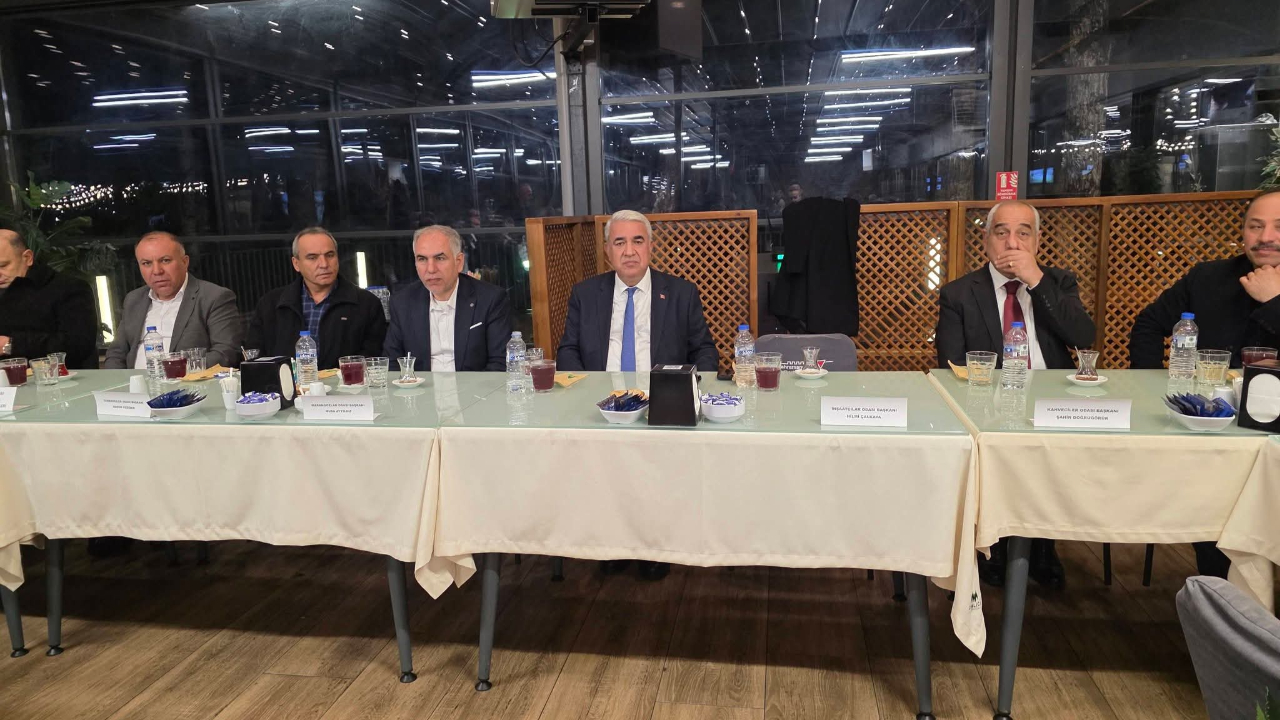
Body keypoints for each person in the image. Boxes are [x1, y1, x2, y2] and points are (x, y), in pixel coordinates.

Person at [936, 200, 1097, 589]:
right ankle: (998, 545)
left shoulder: (1057, 283)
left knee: (1052, 455)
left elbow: (1083, 337)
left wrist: (1036, 281)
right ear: (986, 240)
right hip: (989, 404)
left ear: (1037, 241)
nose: (1012, 243)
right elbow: (951, 362)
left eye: (1023, 233)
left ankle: (1042, 545)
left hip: (1053, 404)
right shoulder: (959, 293)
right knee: (997, 448)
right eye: (1002, 232)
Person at [557, 210, 718, 581]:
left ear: (650, 247)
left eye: (637, 241)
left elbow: (705, 351)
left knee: (654, 473)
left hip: (661, 402)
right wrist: (590, 392)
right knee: (604, 473)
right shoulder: (586, 294)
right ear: (607, 251)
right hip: (604, 404)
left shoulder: (680, 293)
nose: (629, 251)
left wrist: (687, 390)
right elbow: (568, 351)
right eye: (619, 242)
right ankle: (614, 542)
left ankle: (653, 544)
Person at [1129, 188, 1280, 579]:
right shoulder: (1210, 277)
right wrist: (1153, 388)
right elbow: (1148, 324)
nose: (1266, 237)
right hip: (1212, 438)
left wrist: (1273, 302)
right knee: (1209, 515)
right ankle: (1222, 598)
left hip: (1275, 442)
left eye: (1279, 227)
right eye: (1256, 226)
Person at [245, 227, 387, 368]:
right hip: (286, 382)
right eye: (312, 258)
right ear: (296, 264)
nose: (324, 264)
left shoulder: (366, 304)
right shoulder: (270, 304)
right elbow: (255, 357)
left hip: (344, 382)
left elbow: (372, 358)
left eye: (330, 255)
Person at [104, 231, 243, 370]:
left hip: (187, 381)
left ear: (185, 262)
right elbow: (116, 354)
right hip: (134, 382)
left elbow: (226, 353)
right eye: (147, 263)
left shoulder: (213, 297)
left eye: (165, 260)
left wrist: (174, 371)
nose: (157, 271)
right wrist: (117, 381)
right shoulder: (134, 299)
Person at [384, 225, 511, 371]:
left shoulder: (490, 299)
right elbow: (392, 363)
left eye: (440, 258)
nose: (431, 269)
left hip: (473, 385)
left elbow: (500, 363)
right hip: (422, 385)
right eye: (422, 259)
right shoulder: (402, 302)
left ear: (459, 262)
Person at [0, 223, 99, 369]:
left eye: (3, 265)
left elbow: (77, 345)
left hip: (65, 378)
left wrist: (10, 344)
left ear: (27, 258)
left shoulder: (69, 288)